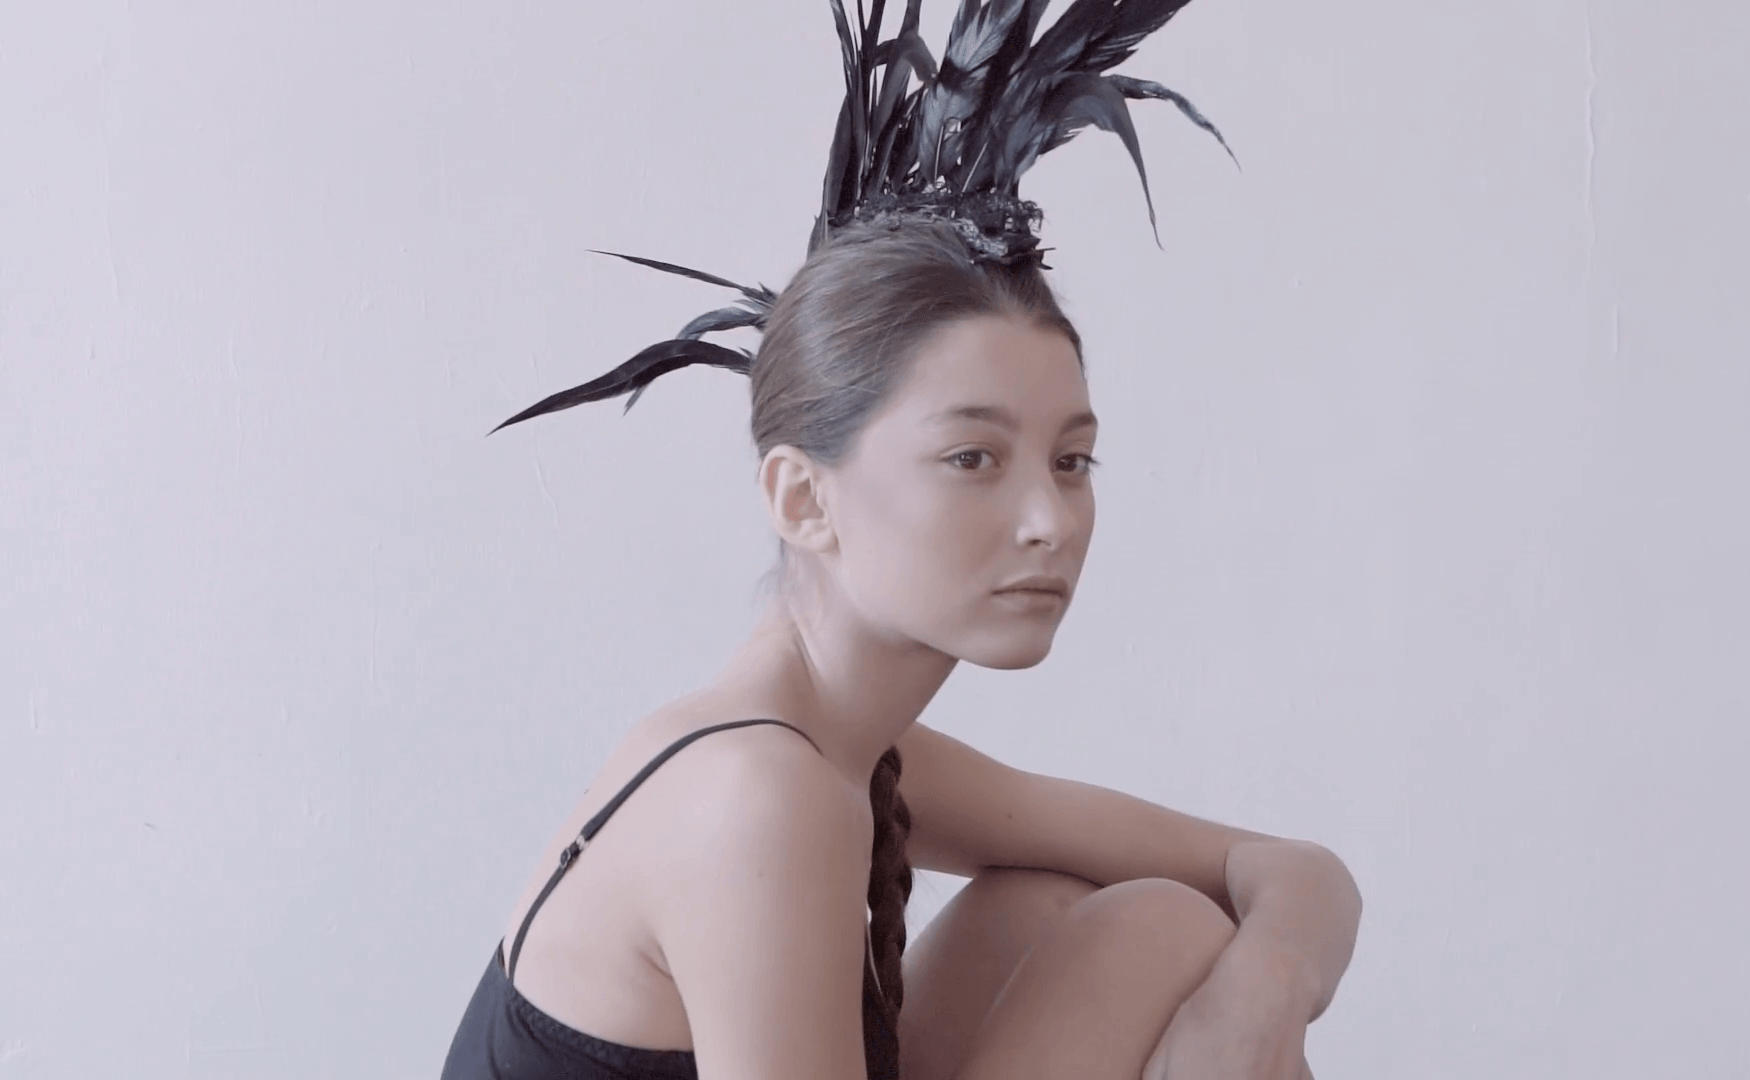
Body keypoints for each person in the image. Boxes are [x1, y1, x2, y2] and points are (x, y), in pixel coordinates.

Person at [444, 4, 1362, 1079]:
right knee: (1158, 933)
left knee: (1083, 908)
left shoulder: (861, 757)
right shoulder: (756, 796)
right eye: (972, 458)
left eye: (1071, 460)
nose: (1048, 519)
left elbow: (1286, 871)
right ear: (802, 500)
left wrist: (1249, 1014)